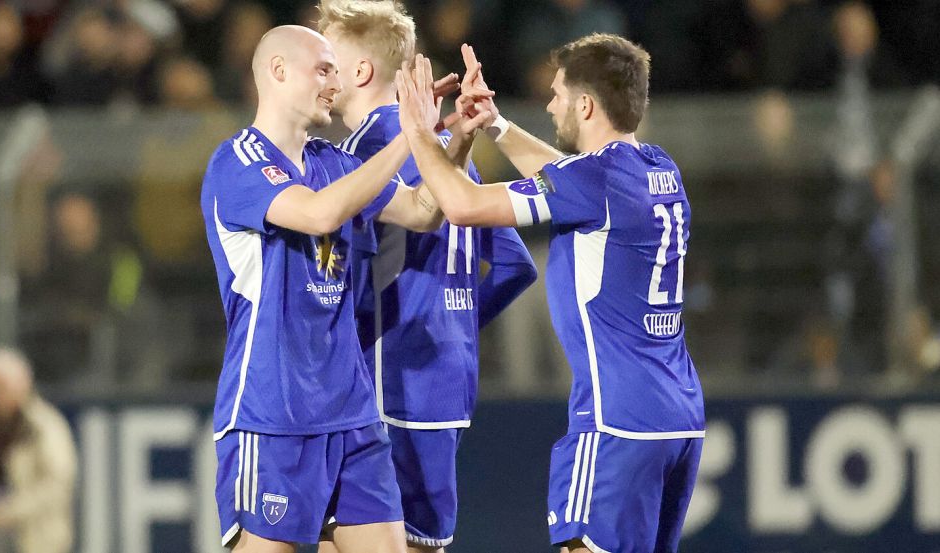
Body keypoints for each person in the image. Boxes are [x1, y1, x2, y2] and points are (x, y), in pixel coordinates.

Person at [396, 36, 705, 553]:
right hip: (678, 418)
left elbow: (463, 205)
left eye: (558, 94)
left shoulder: (594, 181)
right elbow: (566, 181)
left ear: (585, 104)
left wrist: (417, 132)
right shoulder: (656, 167)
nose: (550, 104)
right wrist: (495, 125)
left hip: (615, 420)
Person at [200, 25, 452, 553]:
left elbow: (425, 212)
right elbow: (317, 214)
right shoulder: (237, 162)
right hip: (272, 415)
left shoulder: (332, 162)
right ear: (278, 71)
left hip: (352, 414)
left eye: (337, 71)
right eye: (323, 69)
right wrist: (409, 133)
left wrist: (457, 135)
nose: (335, 83)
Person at [317, 2, 537, 551]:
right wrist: (453, 319)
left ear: (360, 72)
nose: (318, 73)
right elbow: (515, 264)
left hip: (390, 384)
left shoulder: (365, 152)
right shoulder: (445, 151)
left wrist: (395, 325)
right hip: (448, 377)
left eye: (326, 60)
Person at [0, 347, 78, 553]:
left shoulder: (44, 425)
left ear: (23, 384)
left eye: (2, 386)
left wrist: (9, 510)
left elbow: (57, 486)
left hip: (28, 534)